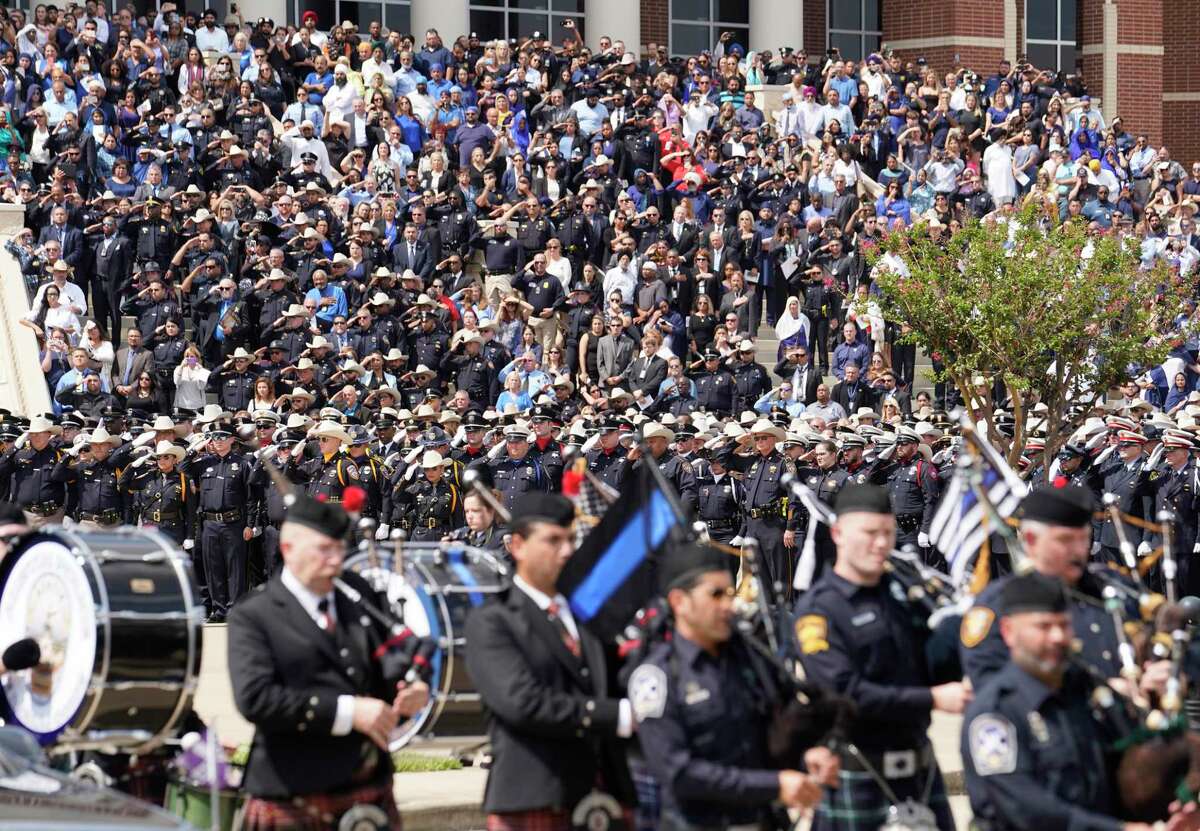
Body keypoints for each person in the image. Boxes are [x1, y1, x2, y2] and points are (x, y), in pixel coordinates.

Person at [228, 493, 430, 830]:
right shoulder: (254, 615)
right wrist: (350, 712)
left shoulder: (355, 591)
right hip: (293, 791)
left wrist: (410, 688)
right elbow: (256, 699)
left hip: (368, 785)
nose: (336, 559)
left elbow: (391, 658)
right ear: (288, 548)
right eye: (324, 549)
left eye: (339, 548)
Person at [793, 484, 968, 831]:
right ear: (839, 533)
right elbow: (846, 693)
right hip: (859, 769)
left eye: (887, 532)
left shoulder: (902, 593)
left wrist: (963, 631)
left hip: (919, 767)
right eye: (870, 533)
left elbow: (931, 667)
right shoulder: (819, 610)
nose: (881, 543)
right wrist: (933, 698)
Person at [631, 540, 838, 829]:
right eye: (715, 595)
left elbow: (769, 733)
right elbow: (678, 772)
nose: (729, 605)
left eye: (730, 592)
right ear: (679, 601)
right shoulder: (657, 676)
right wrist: (773, 785)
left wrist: (805, 757)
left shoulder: (749, 659)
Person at [464, 492, 636, 829]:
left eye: (571, 539)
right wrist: (618, 715)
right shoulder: (493, 621)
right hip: (534, 794)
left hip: (605, 793)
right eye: (553, 540)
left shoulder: (589, 615)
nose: (568, 550)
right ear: (517, 546)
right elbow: (522, 703)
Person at [962, 571, 1156, 831]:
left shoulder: (1085, 693)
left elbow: (1129, 764)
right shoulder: (995, 713)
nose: (1056, 637)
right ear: (1009, 632)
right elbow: (1026, 809)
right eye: (1043, 627)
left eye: (1063, 625)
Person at [959, 485, 1159, 690]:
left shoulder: (1113, 585)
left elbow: (1164, 640)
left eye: (1083, 538)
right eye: (1065, 540)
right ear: (1031, 540)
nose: (1079, 550)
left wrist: (1158, 670)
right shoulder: (998, 602)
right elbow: (990, 683)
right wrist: (1099, 691)